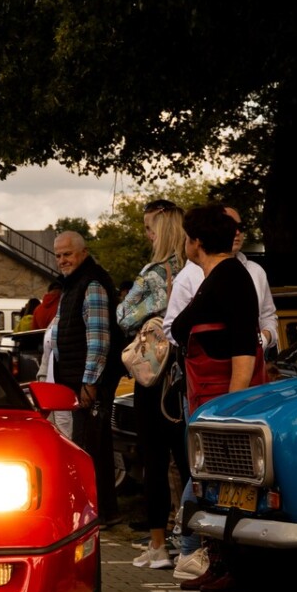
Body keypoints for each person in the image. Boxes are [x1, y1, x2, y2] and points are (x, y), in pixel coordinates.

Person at [169, 206, 267, 592]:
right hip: (207, 394)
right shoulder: (219, 277)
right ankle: (215, 557)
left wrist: (232, 405)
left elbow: (244, 343)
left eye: (187, 237)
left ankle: (225, 562)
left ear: (197, 242)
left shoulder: (230, 278)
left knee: (219, 479)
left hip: (220, 396)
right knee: (211, 478)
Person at [117, 199, 186, 569]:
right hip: (186, 373)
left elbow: (124, 314)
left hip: (153, 372)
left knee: (155, 458)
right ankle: (192, 543)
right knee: (187, 459)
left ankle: (158, 543)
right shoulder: (197, 269)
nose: (145, 234)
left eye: (148, 227)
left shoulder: (154, 273)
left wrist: (155, 308)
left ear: (159, 231)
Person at [48, 229, 122, 526]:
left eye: (67, 254)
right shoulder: (74, 283)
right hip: (79, 380)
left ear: (83, 252)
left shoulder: (90, 283)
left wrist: (90, 380)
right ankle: (99, 511)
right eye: (58, 255)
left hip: (90, 382)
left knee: (90, 448)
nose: (62, 260)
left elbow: (99, 337)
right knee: (90, 445)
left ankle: (98, 513)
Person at [224, 206, 280, 354]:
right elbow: (172, 328)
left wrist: (264, 338)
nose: (237, 232)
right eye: (228, 226)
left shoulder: (256, 271)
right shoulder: (191, 273)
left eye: (240, 227)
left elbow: (268, 316)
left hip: (255, 365)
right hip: (210, 370)